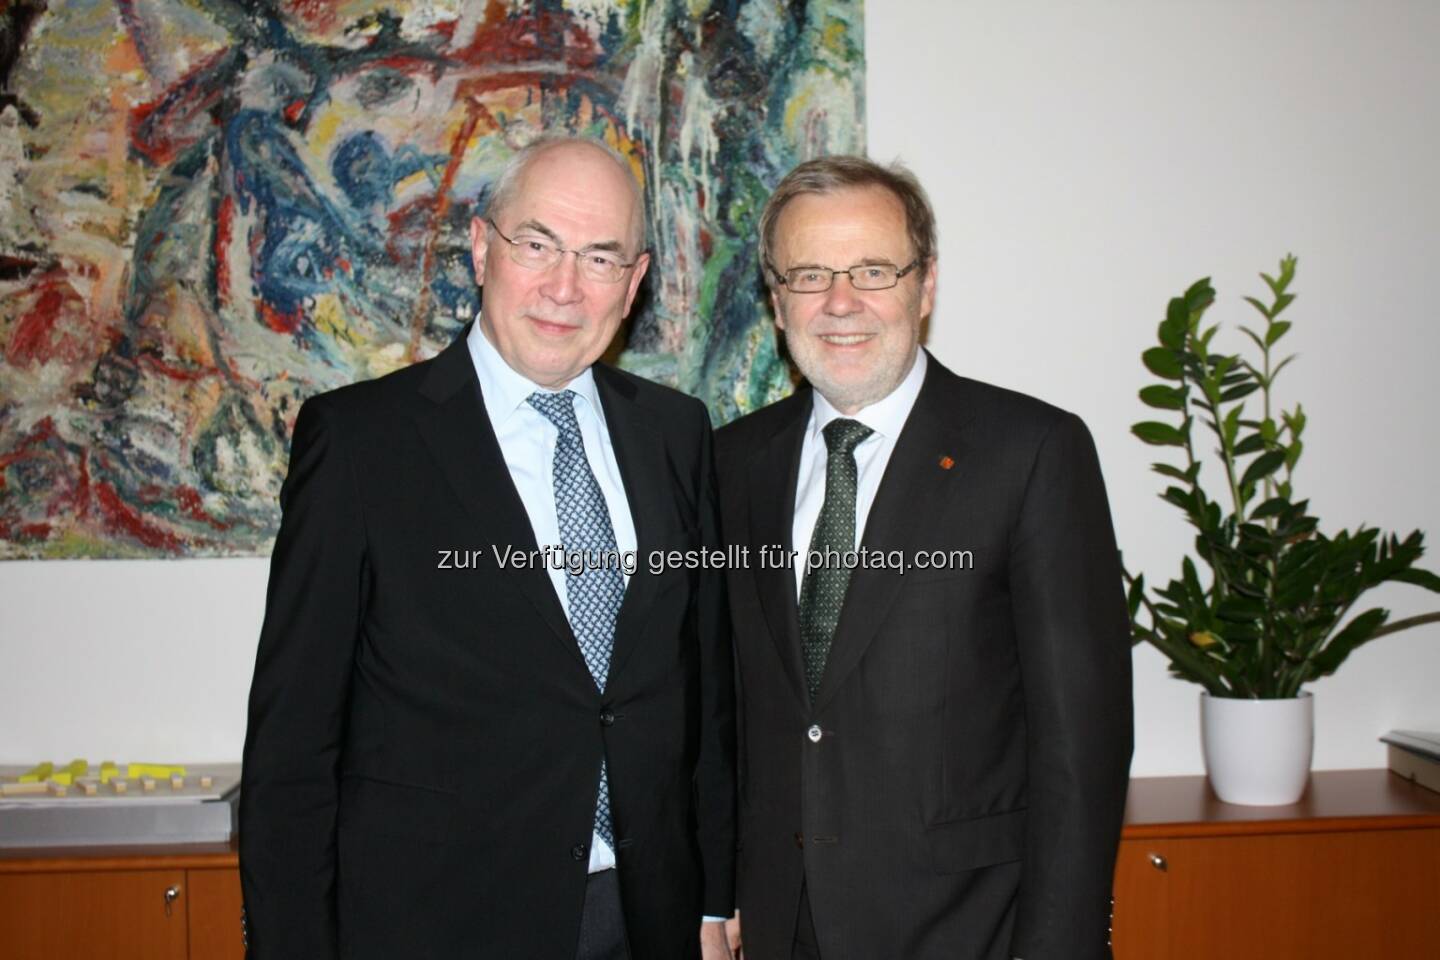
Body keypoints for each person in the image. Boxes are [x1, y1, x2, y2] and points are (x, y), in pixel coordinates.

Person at [239, 137, 736, 960]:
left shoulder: (676, 434)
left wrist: (716, 896)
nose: (564, 287)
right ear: (480, 246)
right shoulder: (362, 444)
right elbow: (294, 744)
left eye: (600, 257)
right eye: (537, 244)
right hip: (436, 924)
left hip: (649, 917)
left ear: (635, 281)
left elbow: (704, 691)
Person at [715, 156, 1133, 960]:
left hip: (973, 931)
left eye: (874, 270)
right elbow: (731, 716)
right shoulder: (733, 464)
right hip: (779, 930)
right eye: (808, 274)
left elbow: (1082, 748)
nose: (841, 303)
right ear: (776, 300)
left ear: (925, 285)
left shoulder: (1032, 452)